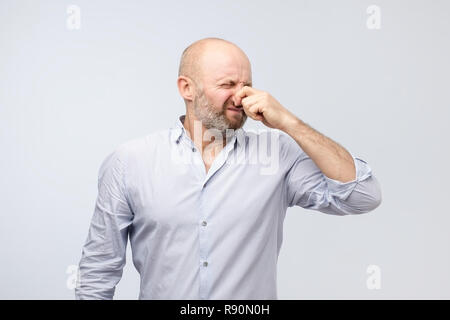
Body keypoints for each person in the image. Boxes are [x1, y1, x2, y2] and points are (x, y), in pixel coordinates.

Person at [75, 37, 382, 300]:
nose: (241, 96)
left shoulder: (277, 154)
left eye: (247, 85)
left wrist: (289, 122)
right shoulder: (130, 161)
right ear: (187, 88)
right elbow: (98, 270)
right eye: (228, 84)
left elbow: (362, 195)